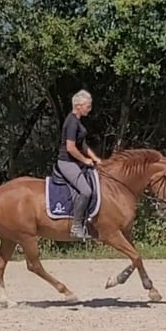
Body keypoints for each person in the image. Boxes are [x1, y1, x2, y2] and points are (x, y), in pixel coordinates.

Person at [56, 89, 102, 239]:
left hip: (75, 162)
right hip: (66, 162)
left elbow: (82, 145)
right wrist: (85, 160)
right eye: (88, 106)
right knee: (86, 191)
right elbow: (70, 147)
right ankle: (76, 226)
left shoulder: (77, 122)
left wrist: (95, 158)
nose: (89, 109)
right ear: (78, 105)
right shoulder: (71, 122)